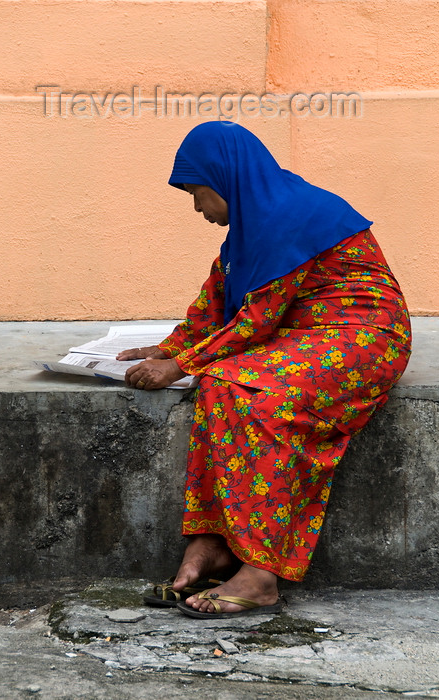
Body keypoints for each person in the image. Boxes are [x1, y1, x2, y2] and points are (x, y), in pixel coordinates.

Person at [117, 121, 412, 619]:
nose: (198, 208)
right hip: (302, 337)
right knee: (217, 385)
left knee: (254, 394)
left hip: (361, 338)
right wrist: (168, 348)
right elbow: (215, 306)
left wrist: (179, 366)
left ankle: (261, 575)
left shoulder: (291, 214)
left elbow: (256, 318)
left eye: (197, 193)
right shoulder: (250, 230)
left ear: (225, 178)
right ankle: (213, 542)